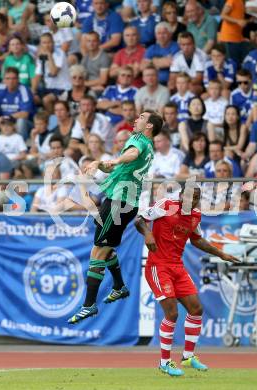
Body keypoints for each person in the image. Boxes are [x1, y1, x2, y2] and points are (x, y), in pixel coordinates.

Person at [67, 110, 163, 324]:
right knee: (104, 248)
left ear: (148, 126)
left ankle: (89, 305)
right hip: (121, 200)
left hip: (120, 202)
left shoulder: (140, 142)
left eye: (141, 117)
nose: (136, 119)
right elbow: (116, 168)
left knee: (98, 251)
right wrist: (98, 164)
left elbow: (131, 156)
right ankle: (119, 286)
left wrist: (114, 159)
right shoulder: (143, 144)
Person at [134, 186, 239, 376]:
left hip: (177, 267)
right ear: (182, 195)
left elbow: (197, 240)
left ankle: (188, 357)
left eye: (196, 198)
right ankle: (164, 362)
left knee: (196, 309)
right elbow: (139, 220)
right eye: (190, 196)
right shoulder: (166, 204)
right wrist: (148, 233)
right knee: (172, 313)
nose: (192, 200)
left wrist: (221, 253)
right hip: (158, 266)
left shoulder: (195, 216)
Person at [0, 66, 34, 140]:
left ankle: (20, 145)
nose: (11, 81)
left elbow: (25, 114)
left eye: (14, 78)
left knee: (21, 121)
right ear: (3, 80)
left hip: (19, 122)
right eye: (8, 78)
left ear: (18, 79)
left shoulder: (23, 89)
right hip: (2, 122)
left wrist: (6, 118)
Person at [141, 21, 179, 86]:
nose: (161, 36)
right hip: (152, 82)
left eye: (164, 33)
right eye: (159, 33)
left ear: (170, 34)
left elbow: (170, 62)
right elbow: (143, 66)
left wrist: (152, 61)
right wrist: (161, 61)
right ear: (155, 35)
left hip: (169, 82)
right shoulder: (151, 48)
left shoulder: (176, 47)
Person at [82, 31, 111, 96]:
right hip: (88, 86)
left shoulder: (104, 57)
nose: (91, 44)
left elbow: (103, 80)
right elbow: (81, 73)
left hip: (100, 88)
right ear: (86, 43)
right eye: (89, 41)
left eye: (94, 41)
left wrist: (83, 83)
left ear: (99, 42)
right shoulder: (86, 57)